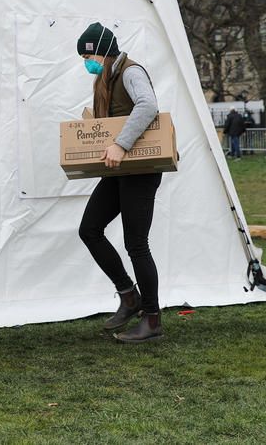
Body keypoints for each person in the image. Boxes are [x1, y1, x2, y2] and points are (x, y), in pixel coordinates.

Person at [75, 22, 163, 344]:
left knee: (136, 244)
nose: (88, 61)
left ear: (104, 51)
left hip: (139, 170)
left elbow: (148, 105)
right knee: (90, 229)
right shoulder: (104, 78)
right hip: (119, 171)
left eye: (89, 55)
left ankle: (151, 319)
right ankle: (129, 295)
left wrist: (121, 143)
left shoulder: (130, 72)